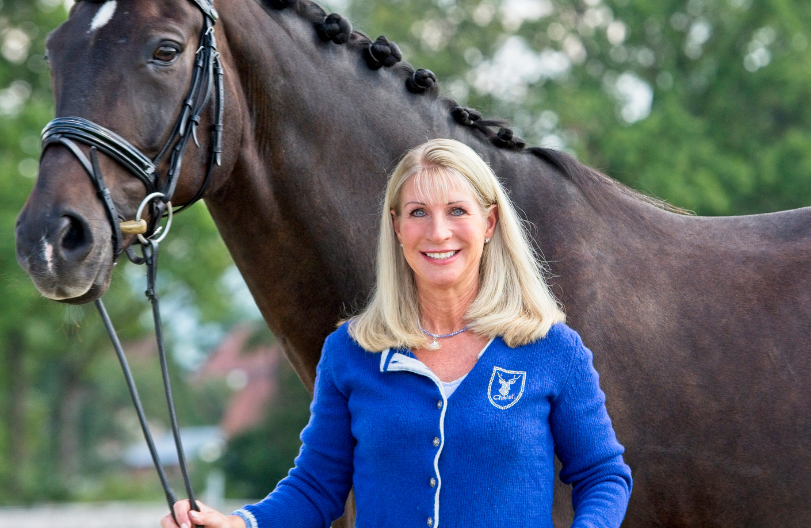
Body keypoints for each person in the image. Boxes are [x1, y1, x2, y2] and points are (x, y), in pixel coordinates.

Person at [163, 138, 632, 528]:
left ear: (488, 223)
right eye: (418, 213)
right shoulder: (351, 353)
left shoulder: (551, 349)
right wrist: (240, 524)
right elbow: (315, 488)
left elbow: (603, 475)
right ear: (397, 227)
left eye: (456, 210)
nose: (438, 231)